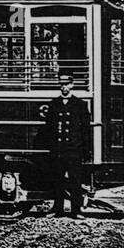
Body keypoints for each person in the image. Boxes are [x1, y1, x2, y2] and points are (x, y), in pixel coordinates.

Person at [38, 72, 91, 218]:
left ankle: (76, 211)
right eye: (62, 85)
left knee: (75, 181)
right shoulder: (53, 104)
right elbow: (48, 129)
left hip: (74, 150)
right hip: (58, 150)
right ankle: (58, 210)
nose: (64, 87)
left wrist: (86, 151)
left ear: (72, 85)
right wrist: (51, 148)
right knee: (58, 180)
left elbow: (85, 130)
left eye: (67, 84)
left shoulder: (80, 105)